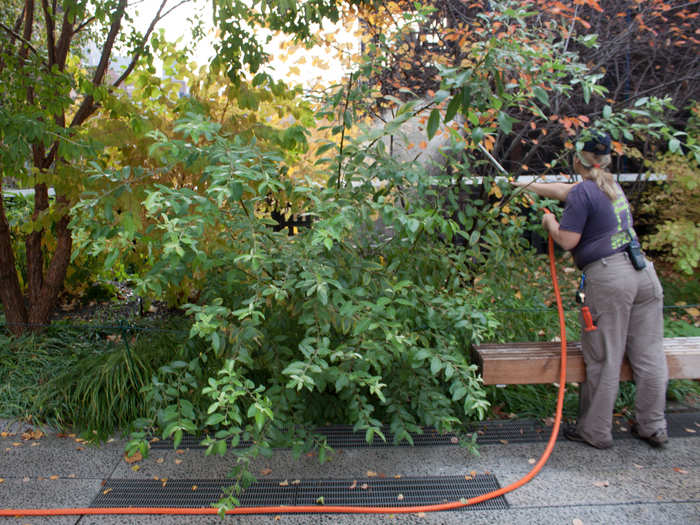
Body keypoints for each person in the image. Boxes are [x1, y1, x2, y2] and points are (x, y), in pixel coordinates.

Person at [514, 132, 668, 449]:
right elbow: (563, 191)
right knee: (650, 356)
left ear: (577, 160)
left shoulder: (584, 192)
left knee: (604, 357)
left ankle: (595, 431)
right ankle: (653, 426)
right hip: (644, 275)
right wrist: (523, 184)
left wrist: (548, 224)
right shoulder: (610, 185)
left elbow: (568, 240)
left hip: (611, 279)